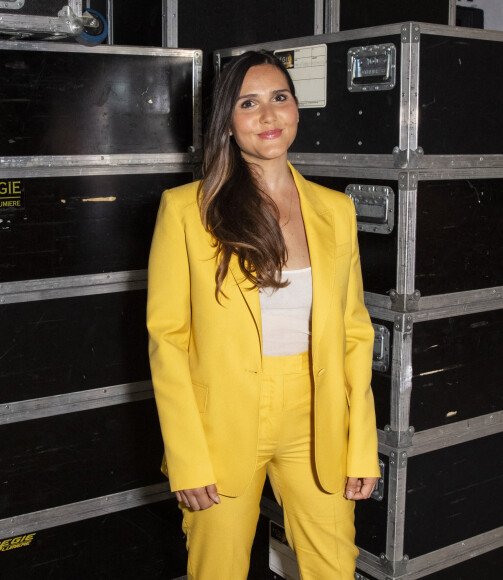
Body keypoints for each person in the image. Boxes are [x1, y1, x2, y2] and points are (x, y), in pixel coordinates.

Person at [147, 50, 379, 579]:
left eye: (280, 98)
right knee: (219, 569)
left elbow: (353, 331)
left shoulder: (335, 210)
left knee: (334, 566)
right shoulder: (186, 210)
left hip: (316, 415)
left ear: (297, 109)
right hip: (219, 422)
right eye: (248, 103)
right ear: (227, 122)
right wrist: (186, 456)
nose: (269, 116)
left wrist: (362, 443)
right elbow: (168, 339)